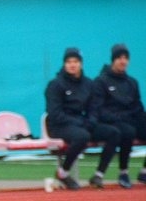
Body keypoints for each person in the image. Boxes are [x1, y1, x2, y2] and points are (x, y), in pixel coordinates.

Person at [45, 47, 120, 190]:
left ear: (81, 63)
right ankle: (63, 173)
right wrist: (80, 122)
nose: (72, 65)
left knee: (113, 133)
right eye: (69, 62)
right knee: (82, 136)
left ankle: (98, 175)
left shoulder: (88, 84)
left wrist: (91, 121)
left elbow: (94, 108)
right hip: (58, 126)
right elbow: (55, 113)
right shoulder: (55, 85)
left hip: (82, 124)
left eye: (75, 61)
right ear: (64, 64)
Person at [92, 44, 146, 188]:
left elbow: (137, 106)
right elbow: (99, 109)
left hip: (130, 119)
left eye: (126, 58)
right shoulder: (101, 81)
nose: (123, 61)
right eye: (119, 58)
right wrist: (120, 117)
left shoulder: (132, 82)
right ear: (113, 60)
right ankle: (123, 172)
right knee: (128, 131)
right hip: (112, 122)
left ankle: (144, 172)